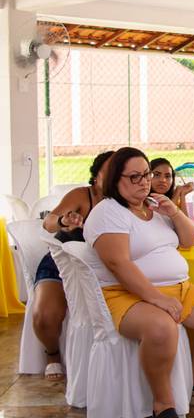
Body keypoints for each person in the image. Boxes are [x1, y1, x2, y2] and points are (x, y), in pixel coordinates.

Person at [83, 147, 194, 418]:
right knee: (161, 328)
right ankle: (163, 404)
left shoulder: (154, 207)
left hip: (178, 289)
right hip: (126, 294)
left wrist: (174, 212)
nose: (144, 182)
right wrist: (157, 298)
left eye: (146, 174)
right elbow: (118, 263)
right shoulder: (108, 212)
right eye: (134, 177)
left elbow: (189, 240)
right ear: (115, 179)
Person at [36, 150, 113, 381]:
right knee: (45, 316)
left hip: (105, 270)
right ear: (96, 176)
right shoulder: (82, 195)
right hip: (63, 264)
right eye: (109, 171)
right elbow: (49, 222)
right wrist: (63, 220)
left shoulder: (127, 201)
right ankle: (52, 354)